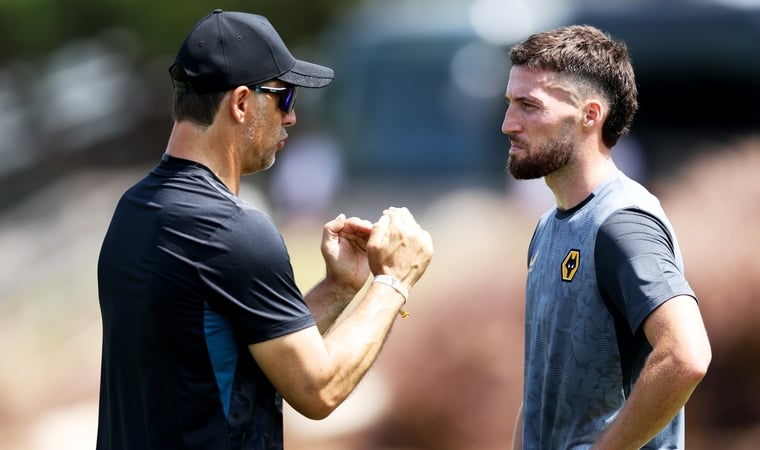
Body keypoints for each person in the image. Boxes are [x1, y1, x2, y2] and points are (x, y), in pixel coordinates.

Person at [96, 9, 433, 450]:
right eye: (285, 96)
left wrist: (340, 287)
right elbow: (318, 390)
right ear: (240, 103)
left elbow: (249, 357)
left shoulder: (134, 210)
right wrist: (393, 281)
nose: (291, 117)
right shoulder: (232, 230)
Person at [503, 25, 711, 449]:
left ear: (590, 115)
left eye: (529, 105)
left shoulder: (622, 224)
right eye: (509, 103)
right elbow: (543, 388)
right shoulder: (549, 227)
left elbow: (685, 356)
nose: (508, 124)